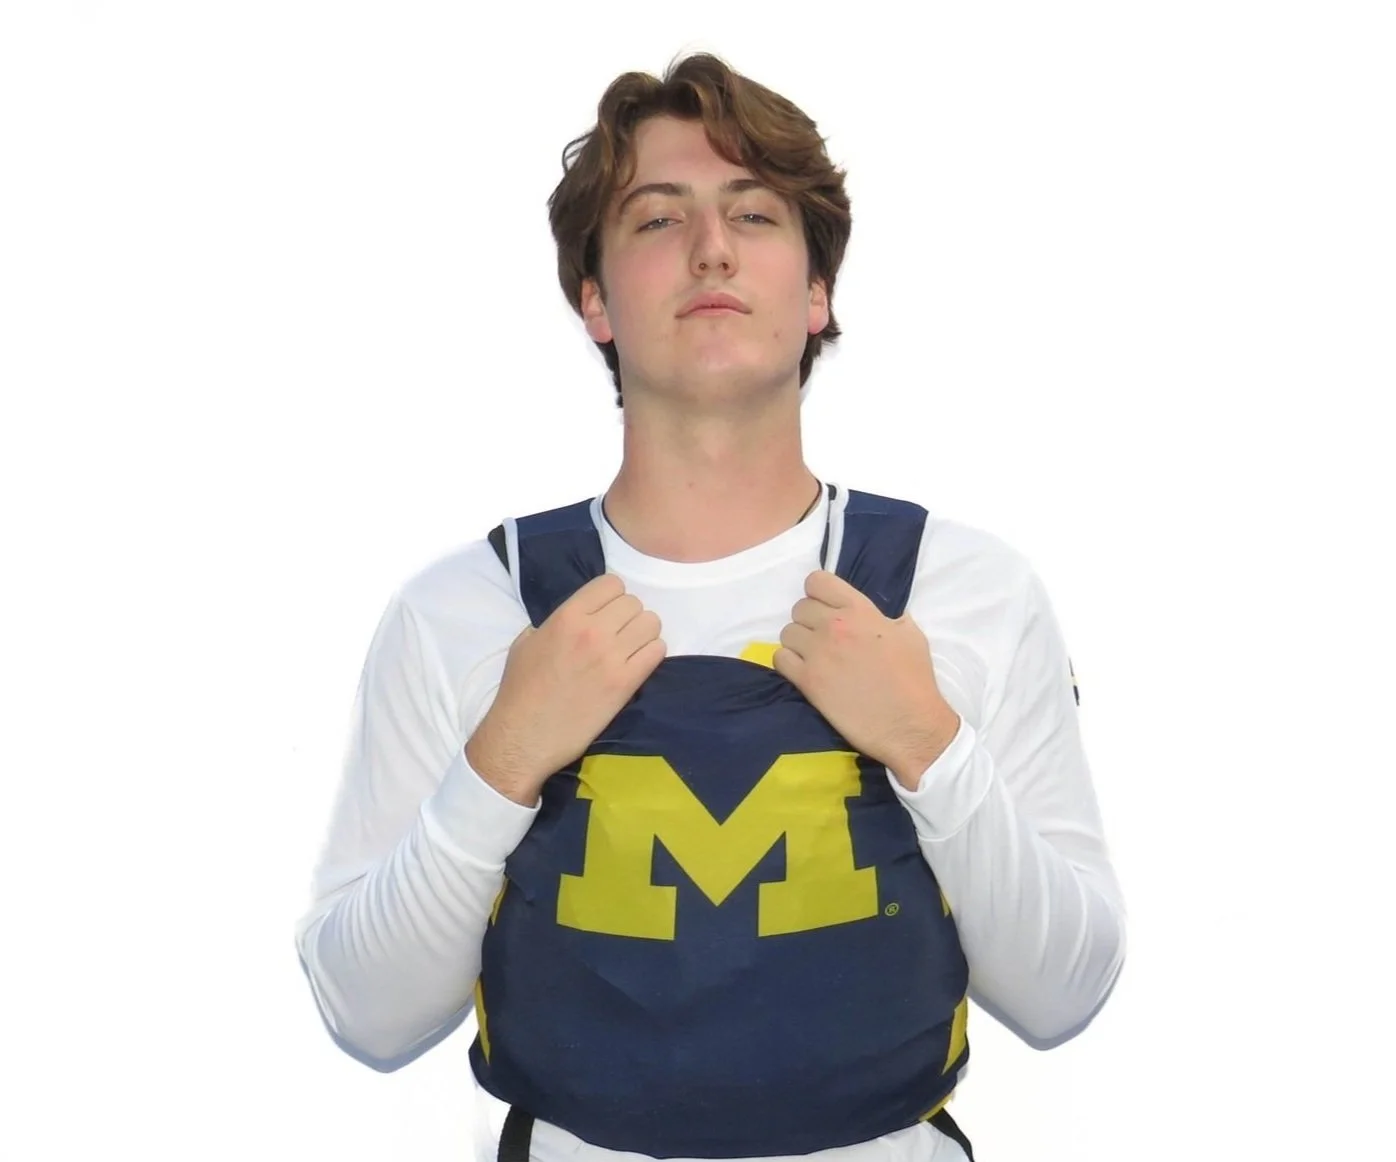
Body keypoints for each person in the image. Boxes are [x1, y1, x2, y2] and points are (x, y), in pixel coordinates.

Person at [295, 50, 1126, 1162]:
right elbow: (367, 1017)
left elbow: (1065, 995)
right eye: (656, 218)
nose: (712, 248)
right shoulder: (464, 613)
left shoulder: (965, 592)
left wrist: (929, 742)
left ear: (817, 292)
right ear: (594, 299)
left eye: (755, 214)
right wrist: (502, 760)